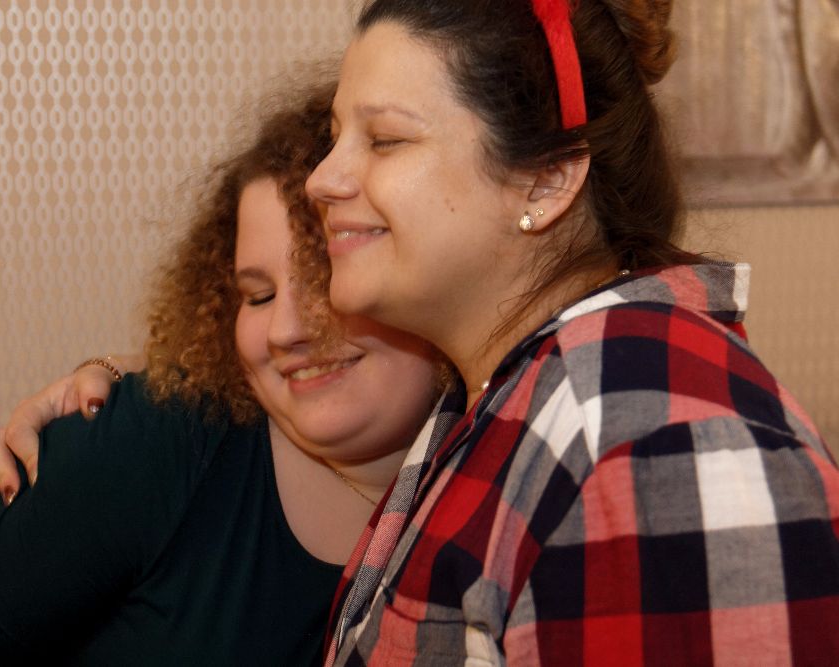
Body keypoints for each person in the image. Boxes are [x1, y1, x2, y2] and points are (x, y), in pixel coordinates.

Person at [300, 0, 839, 664]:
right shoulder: (508, 397)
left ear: (546, 181)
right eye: (335, 137)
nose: (321, 179)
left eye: (385, 139)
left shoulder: (651, 435)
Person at [0, 81, 447, 665]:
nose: (285, 330)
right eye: (257, 296)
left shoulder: (487, 462)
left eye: (323, 275)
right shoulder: (160, 435)